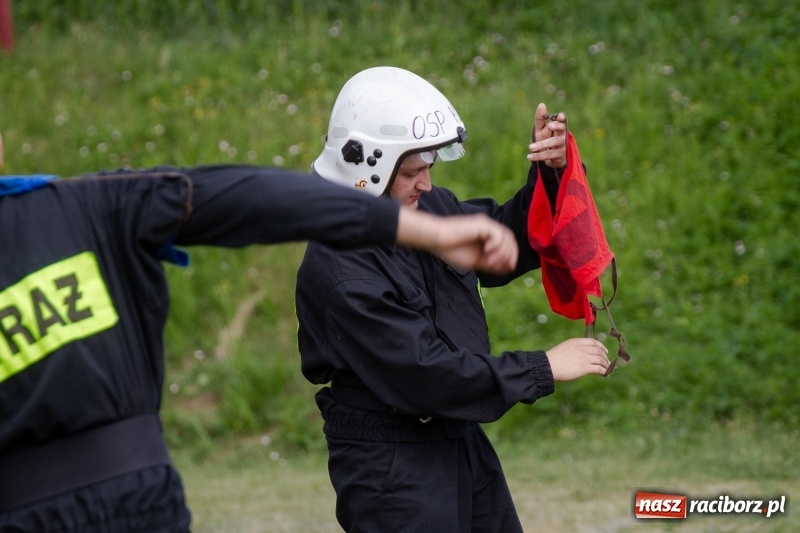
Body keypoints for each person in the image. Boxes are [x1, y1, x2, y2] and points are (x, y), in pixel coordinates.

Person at [0, 131, 520, 532]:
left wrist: (426, 229)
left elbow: (254, 198)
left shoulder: (84, 205)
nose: (425, 186)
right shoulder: (90, 204)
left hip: (136, 503)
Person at [295, 66, 611, 532]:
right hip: (392, 463)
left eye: (428, 168)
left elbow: (506, 238)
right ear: (366, 170)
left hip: (458, 437)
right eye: (411, 172)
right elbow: (427, 373)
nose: (425, 184)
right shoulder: (342, 271)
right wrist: (541, 367)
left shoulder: (426, 207)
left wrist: (551, 171)